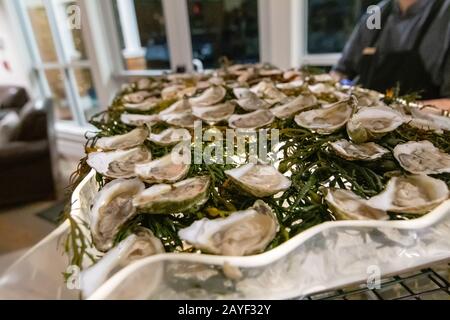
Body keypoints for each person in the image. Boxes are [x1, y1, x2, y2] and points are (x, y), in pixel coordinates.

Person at [332, 0, 450, 109]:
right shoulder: (376, 14)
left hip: (424, 128)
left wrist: (395, 110)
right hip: (362, 124)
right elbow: (341, 72)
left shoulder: (445, 15)